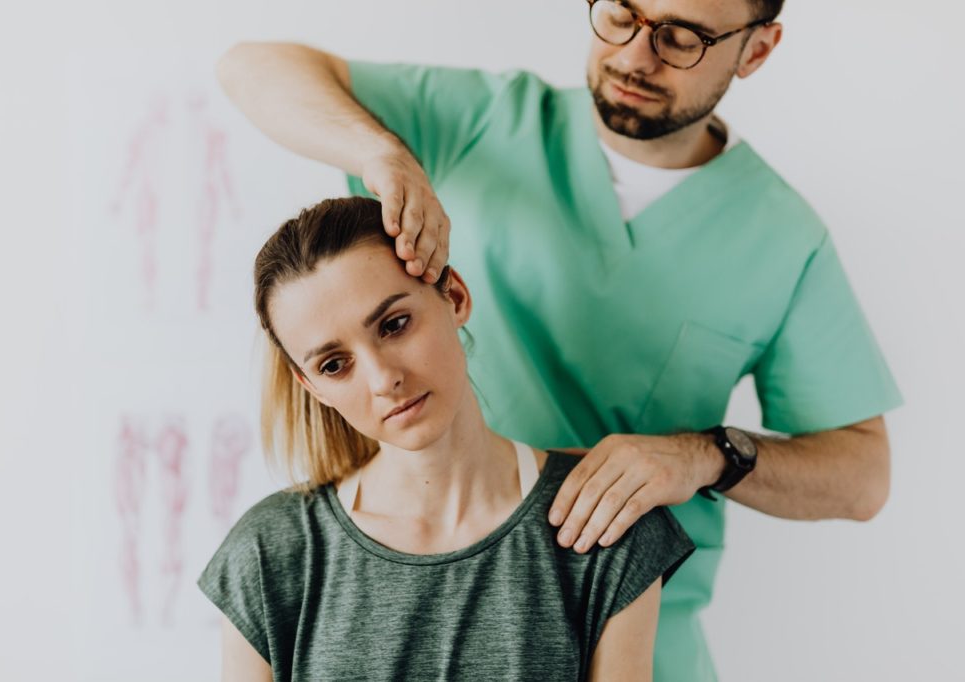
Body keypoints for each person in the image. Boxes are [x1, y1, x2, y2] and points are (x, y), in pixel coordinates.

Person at [215, 0, 902, 678]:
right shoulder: (480, 122)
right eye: (620, 14)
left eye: (682, 37)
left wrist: (702, 457)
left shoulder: (782, 238)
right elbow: (251, 66)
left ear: (757, 48)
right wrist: (381, 153)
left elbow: (862, 479)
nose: (635, 54)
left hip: (635, 626)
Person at [197, 196, 695, 681]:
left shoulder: (606, 523)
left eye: (394, 325)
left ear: (454, 296)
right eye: (334, 365)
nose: (381, 379)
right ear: (312, 387)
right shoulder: (269, 553)